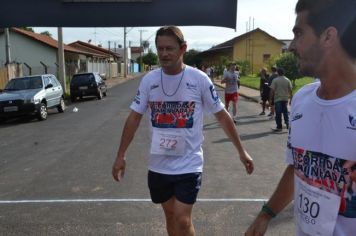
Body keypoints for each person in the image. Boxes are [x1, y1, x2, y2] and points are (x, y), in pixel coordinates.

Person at [111, 25, 254, 236]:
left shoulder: (199, 80)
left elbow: (222, 116)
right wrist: (121, 155)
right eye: (160, 48)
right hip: (159, 164)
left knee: (182, 218)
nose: (164, 54)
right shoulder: (149, 81)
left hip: (189, 164)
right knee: (170, 216)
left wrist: (241, 151)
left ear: (183, 48)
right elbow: (134, 117)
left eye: (169, 48)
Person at [245, 0, 356, 235]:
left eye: (298, 33)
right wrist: (267, 213)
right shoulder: (302, 99)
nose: (292, 45)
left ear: (328, 37)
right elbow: (299, 166)